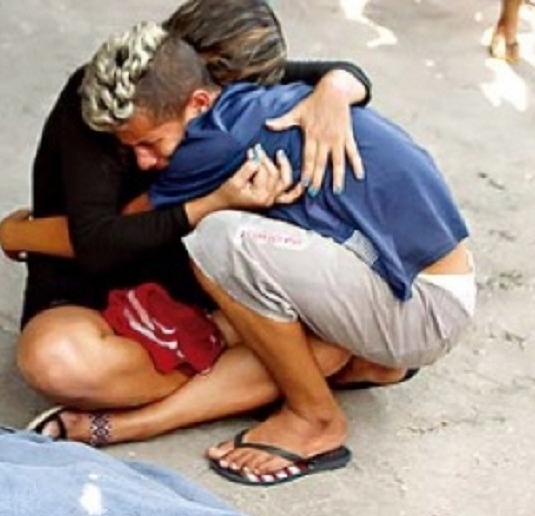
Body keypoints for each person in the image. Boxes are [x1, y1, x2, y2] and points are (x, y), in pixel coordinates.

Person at [76, 18, 476, 485]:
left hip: (424, 309)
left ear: (199, 102)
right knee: (248, 255)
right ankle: (366, 363)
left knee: (220, 242)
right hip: (435, 281)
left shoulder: (209, 144)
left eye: (149, 143)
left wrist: (20, 231)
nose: (144, 162)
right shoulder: (254, 103)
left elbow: (116, 234)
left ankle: (314, 418)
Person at [0, 0, 373, 446]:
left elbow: (339, 73)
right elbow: (98, 240)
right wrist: (212, 202)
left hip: (203, 289)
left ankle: (144, 418)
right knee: (57, 360)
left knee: (340, 336)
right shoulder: (116, 99)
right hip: (98, 292)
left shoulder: (229, 91)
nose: (222, 119)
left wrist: (334, 94)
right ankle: (254, 370)